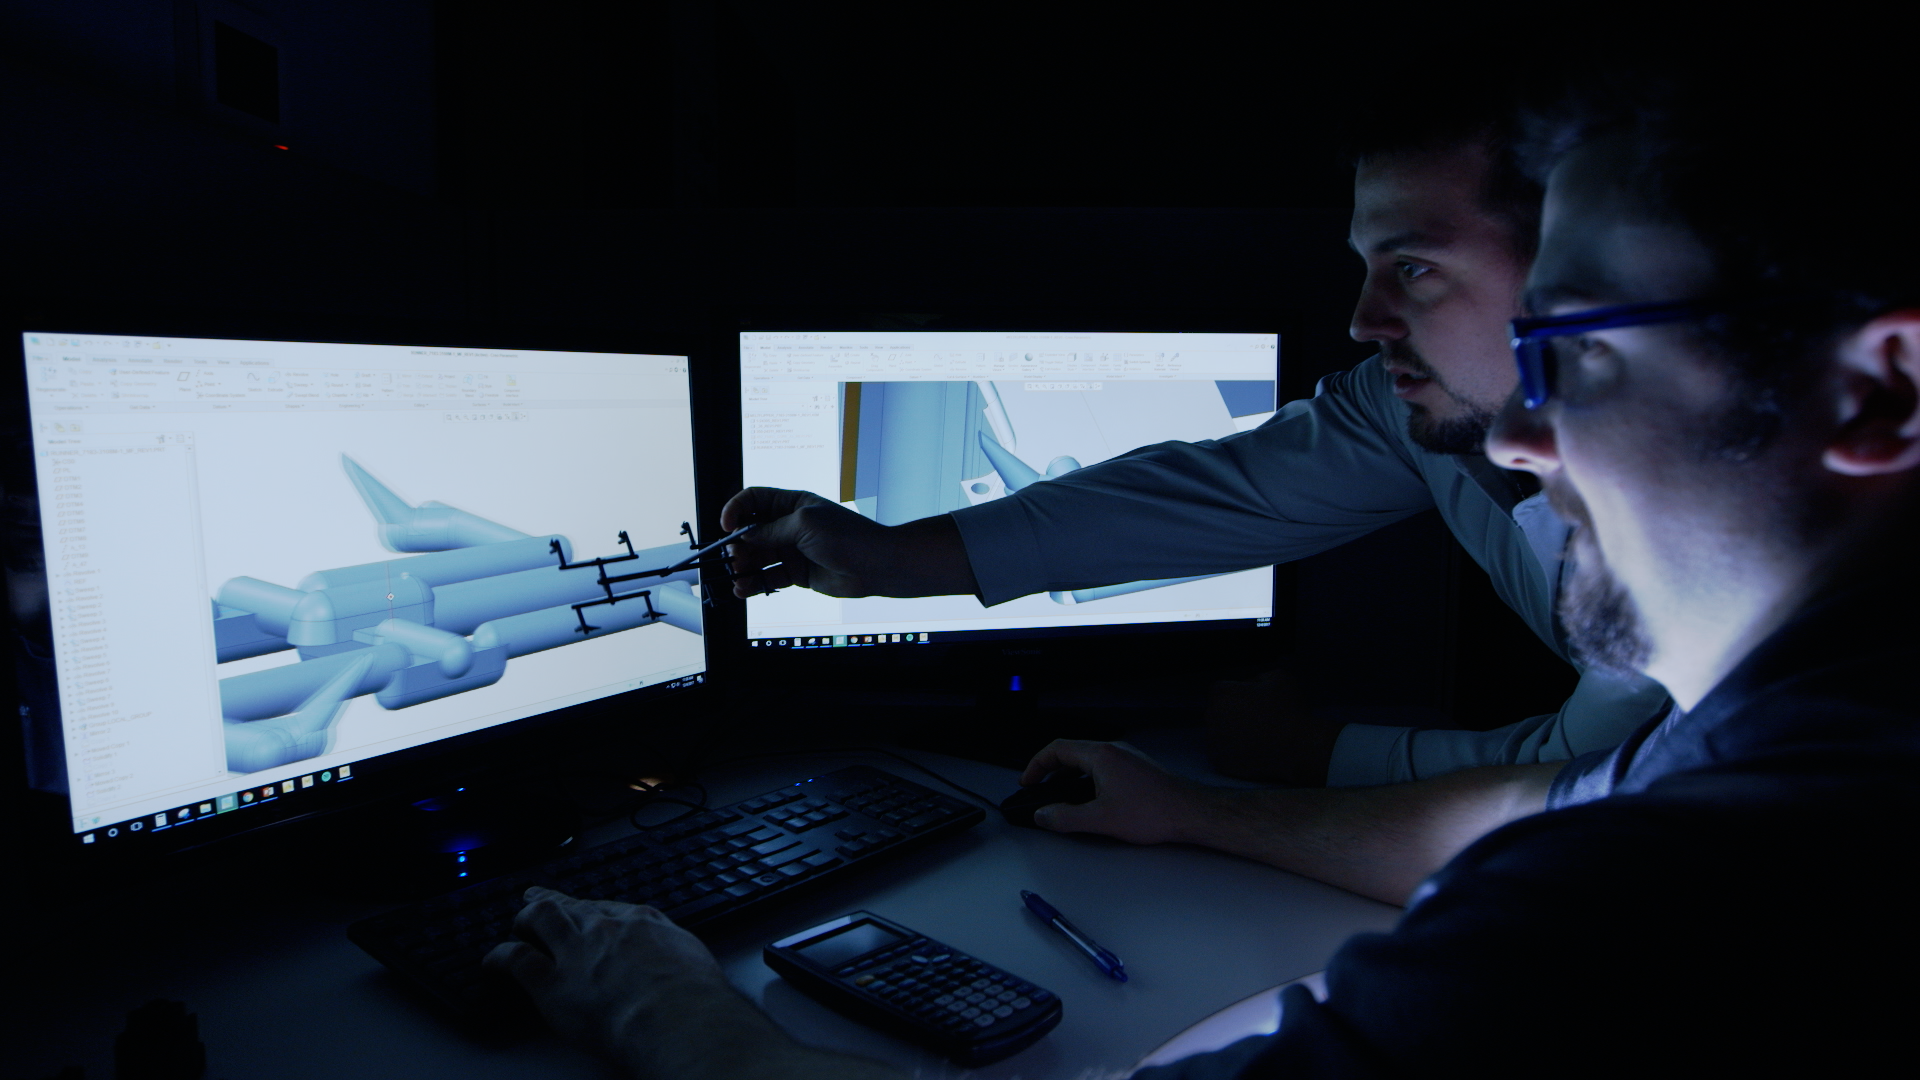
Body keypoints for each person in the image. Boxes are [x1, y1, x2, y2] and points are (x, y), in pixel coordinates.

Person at [487, 63, 1920, 1076]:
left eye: (1578, 342)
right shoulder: (1784, 746)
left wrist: (667, 1014)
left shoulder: (1673, 887)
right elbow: (1550, 798)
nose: (1530, 437)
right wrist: (1193, 805)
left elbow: (1581, 859)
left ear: (1879, 395)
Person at [720, 98, 1669, 792]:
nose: (1362, 321)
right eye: (1365, 268)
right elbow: (1229, 489)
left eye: (1414, 269)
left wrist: (1303, 762)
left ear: (1573, 269)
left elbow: (1588, 783)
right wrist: (890, 556)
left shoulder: (1697, 509)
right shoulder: (1427, 404)